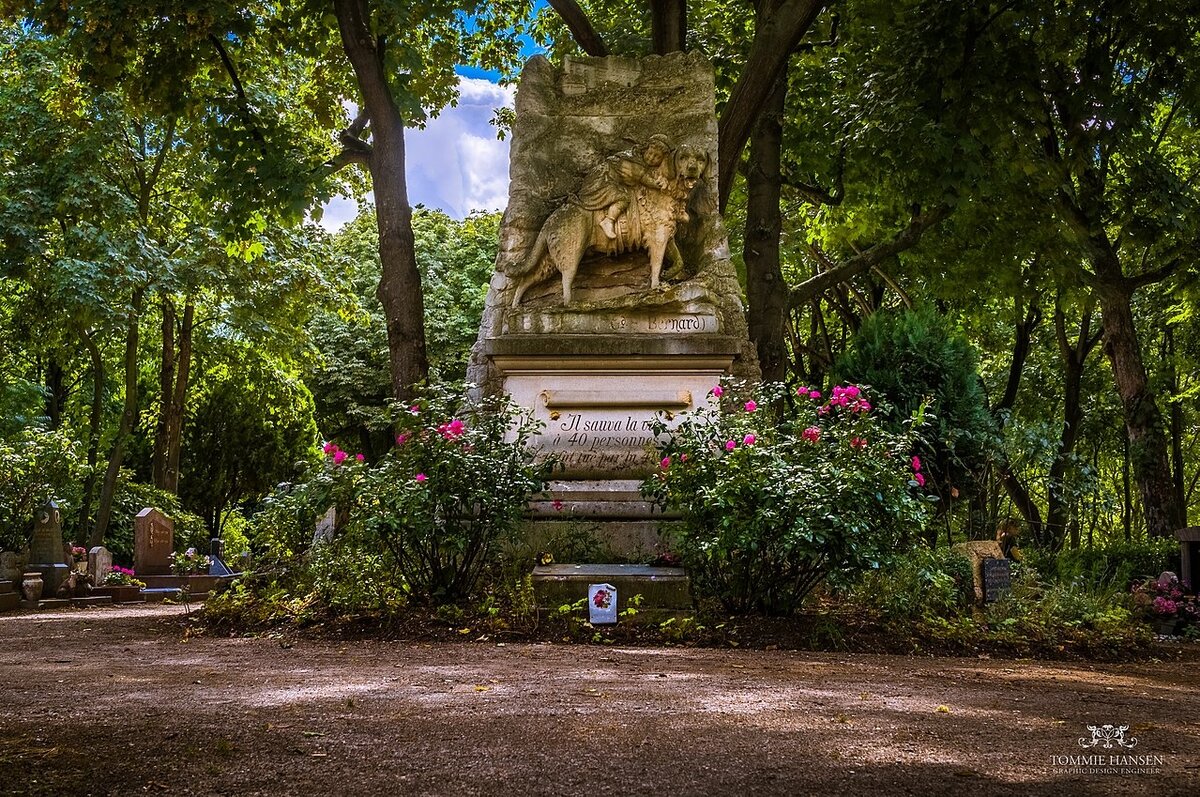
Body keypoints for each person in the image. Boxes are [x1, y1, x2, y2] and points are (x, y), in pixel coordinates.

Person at [575, 134, 674, 239]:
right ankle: (608, 221)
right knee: (624, 197)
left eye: (657, 157)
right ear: (645, 149)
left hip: (608, 180)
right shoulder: (632, 161)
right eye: (650, 153)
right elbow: (645, 179)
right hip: (602, 181)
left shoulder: (640, 161)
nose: (651, 158)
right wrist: (658, 186)